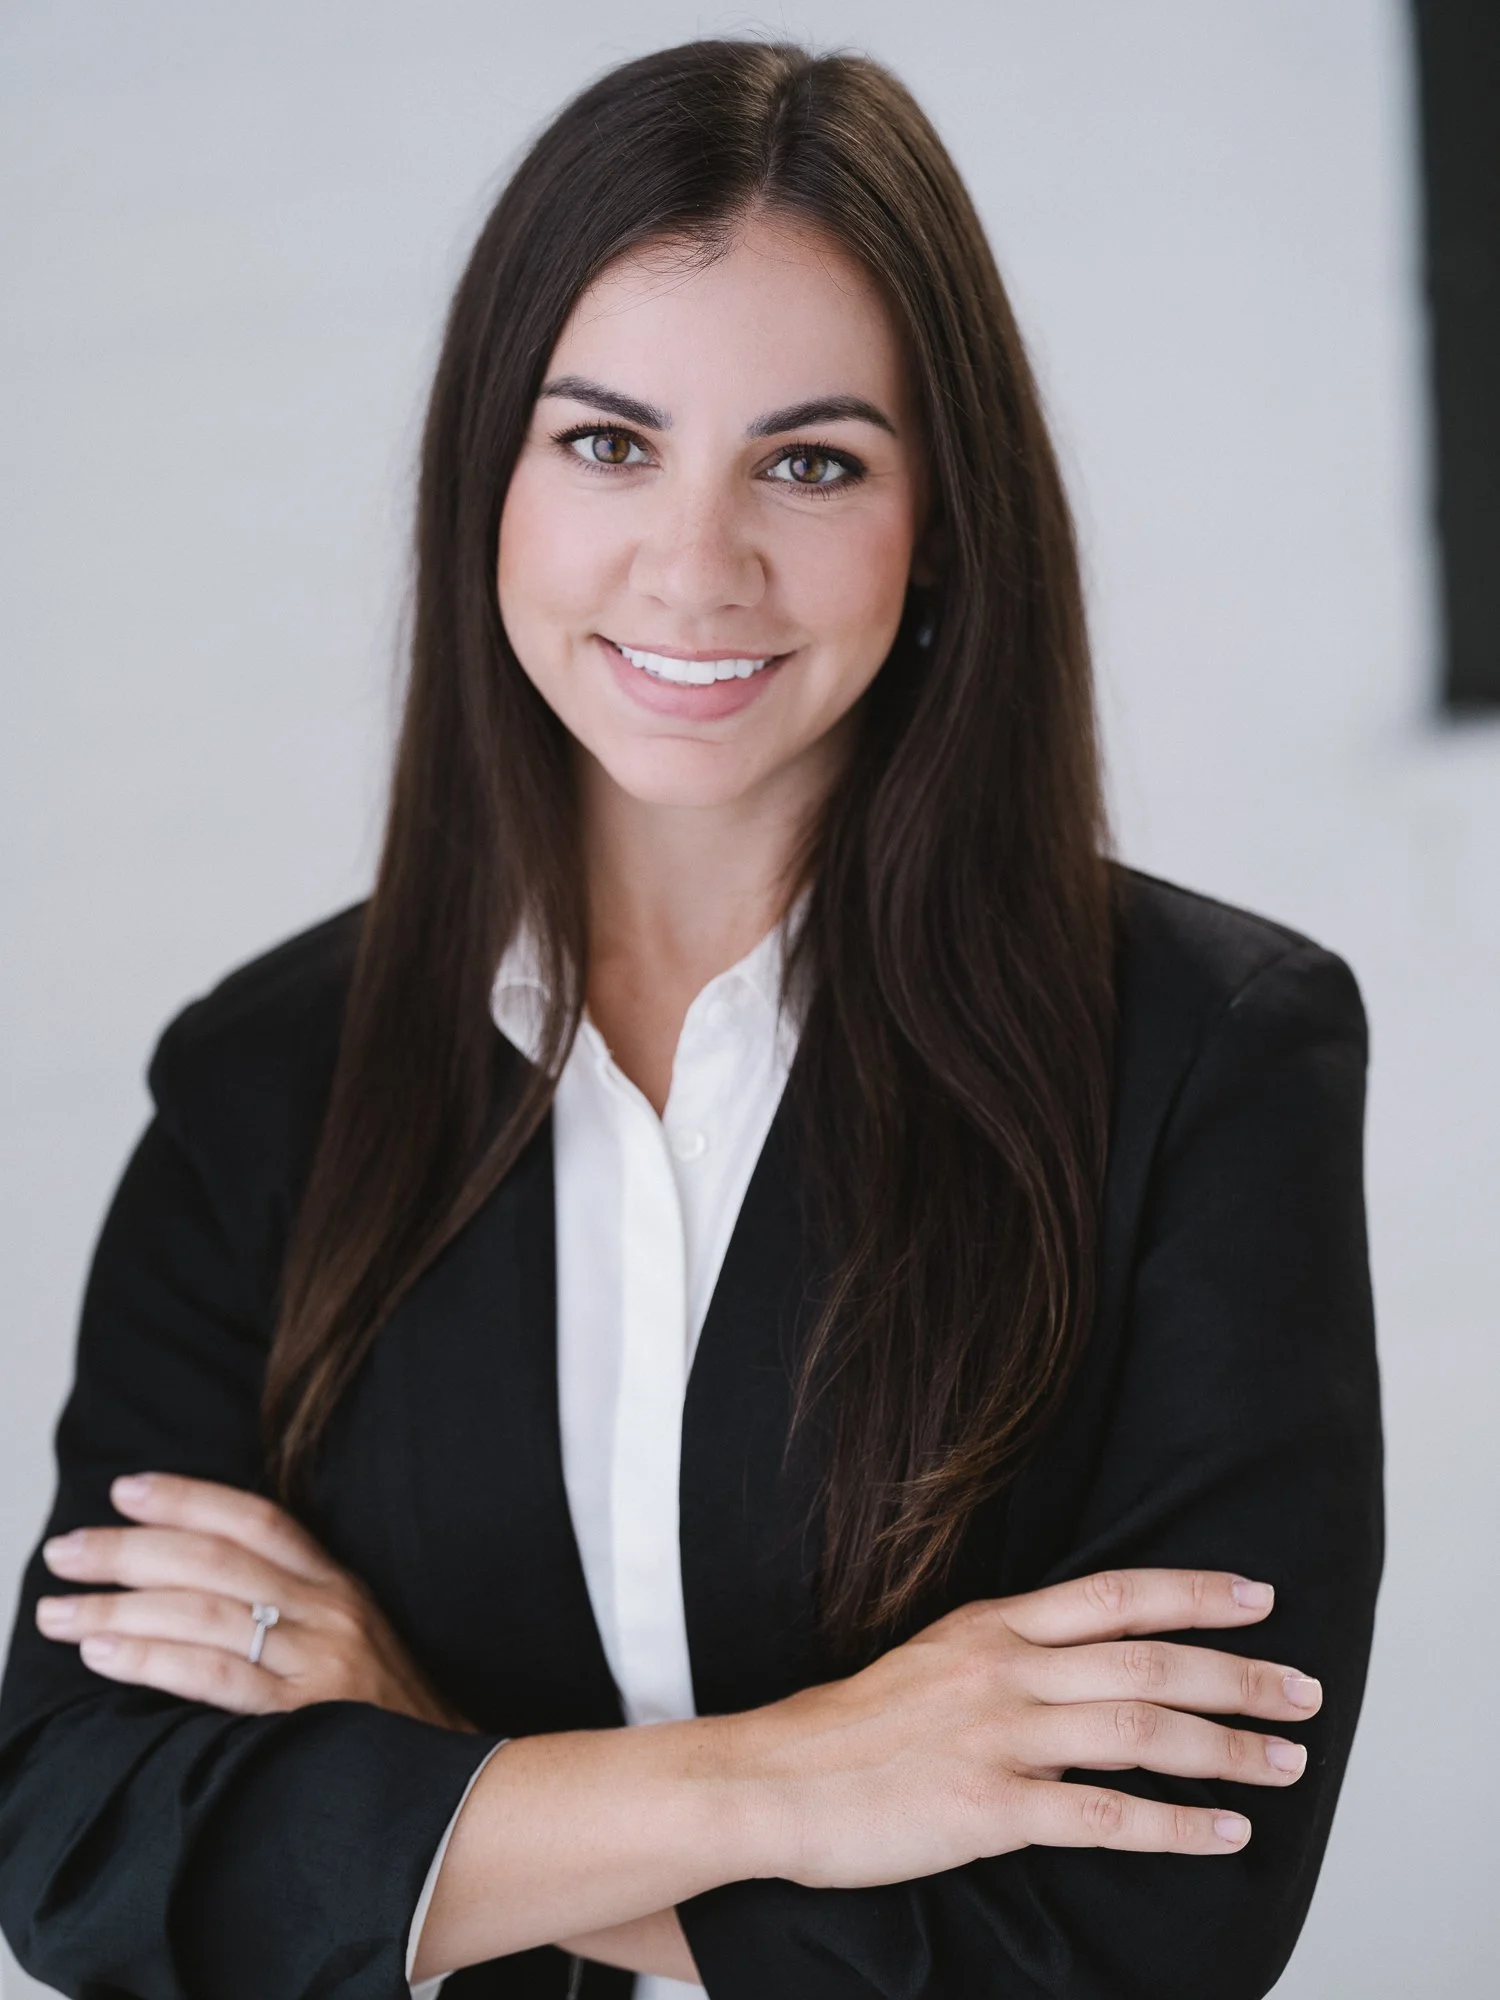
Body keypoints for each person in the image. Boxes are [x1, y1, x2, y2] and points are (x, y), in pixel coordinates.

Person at [0, 35, 1382, 2000]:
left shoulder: (1205, 1056)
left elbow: (1145, 1926)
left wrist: (426, 1766)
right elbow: (92, 1842)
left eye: (810, 462)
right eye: (607, 443)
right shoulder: (265, 1084)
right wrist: (799, 1778)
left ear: (940, 523)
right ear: (488, 478)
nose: (694, 565)